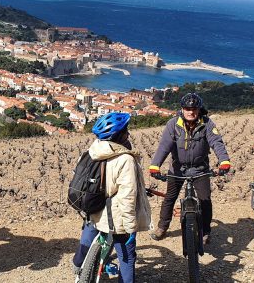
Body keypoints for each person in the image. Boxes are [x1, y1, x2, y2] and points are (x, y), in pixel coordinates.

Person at [72, 112, 152, 283]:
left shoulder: (91, 152)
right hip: (116, 218)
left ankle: (78, 264)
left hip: (93, 209)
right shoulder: (125, 160)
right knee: (127, 256)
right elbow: (127, 198)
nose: (128, 133)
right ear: (118, 136)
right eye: (125, 131)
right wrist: (131, 227)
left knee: (89, 233)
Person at [148, 93, 231, 244]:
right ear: (182, 109)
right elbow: (164, 146)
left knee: (205, 200)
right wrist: (155, 165)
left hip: (200, 169)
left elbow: (216, 143)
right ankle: (162, 227)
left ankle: (205, 230)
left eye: (194, 109)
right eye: (187, 108)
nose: (191, 112)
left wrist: (224, 161)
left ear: (199, 109)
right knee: (169, 198)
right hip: (177, 169)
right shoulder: (173, 124)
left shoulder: (207, 124)